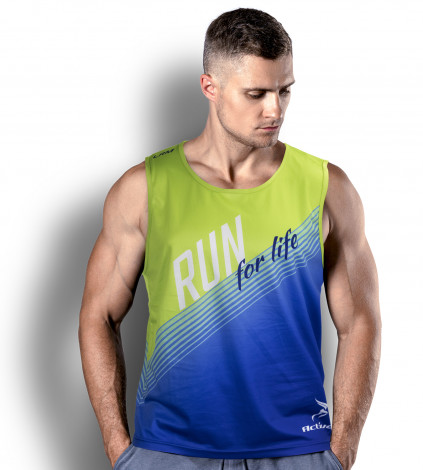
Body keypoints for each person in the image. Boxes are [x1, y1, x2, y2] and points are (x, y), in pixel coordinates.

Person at [78, 7, 381, 470]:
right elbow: (98, 315)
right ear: (210, 87)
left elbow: (360, 321)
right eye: (256, 93)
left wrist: (342, 452)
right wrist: (119, 450)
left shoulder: (326, 188)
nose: (275, 109)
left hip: (296, 452)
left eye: (284, 90)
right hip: (169, 453)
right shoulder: (143, 189)